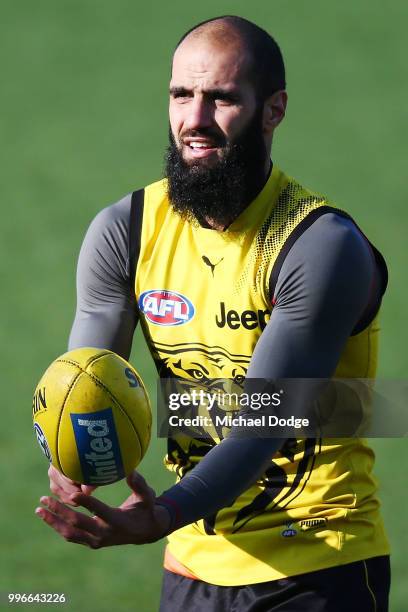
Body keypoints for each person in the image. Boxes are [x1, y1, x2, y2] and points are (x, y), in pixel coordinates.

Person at [35, 15, 391, 611]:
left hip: (317, 566)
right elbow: (85, 378)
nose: (194, 121)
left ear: (273, 110)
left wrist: (164, 513)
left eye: (221, 98)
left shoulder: (319, 246)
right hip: (192, 567)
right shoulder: (124, 231)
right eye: (181, 95)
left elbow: (263, 419)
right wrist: (73, 456)